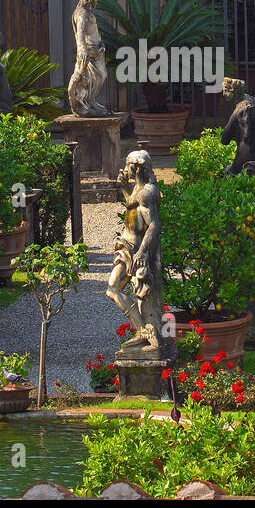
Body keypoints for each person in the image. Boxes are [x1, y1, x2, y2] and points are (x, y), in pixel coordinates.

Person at [106, 150, 167, 355]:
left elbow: (154, 225)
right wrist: (125, 188)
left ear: (137, 167)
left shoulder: (147, 192)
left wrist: (141, 253)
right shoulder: (139, 190)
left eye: (128, 164)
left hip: (134, 250)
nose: (125, 168)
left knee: (114, 289)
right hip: (127, 246)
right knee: (113, 289)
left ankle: (146, 332)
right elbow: (133, 208)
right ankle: (143, 331)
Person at [68, 0, 112, 117]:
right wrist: (82, 49)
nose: (97, 0)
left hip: (97, 49)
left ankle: (91, 101)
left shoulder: (88, 12)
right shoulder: (81, 12)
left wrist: (101, 43)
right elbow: (80, 32)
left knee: (101, 75)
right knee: (90, 78)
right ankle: (86, 103)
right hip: (89, 50)